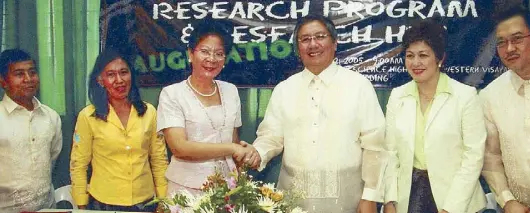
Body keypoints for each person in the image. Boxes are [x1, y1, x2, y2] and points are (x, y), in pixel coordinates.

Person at [248, 15, 386, 213]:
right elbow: (270, 137)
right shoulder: (285, 89)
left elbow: (375, 145)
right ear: (298, 48)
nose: (313, 44)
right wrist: (256, 155)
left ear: (334, 43)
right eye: (305, 39)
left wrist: (370, 197)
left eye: (320, 36)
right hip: (292, 201)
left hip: (348, 200)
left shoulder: (358, 86)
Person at [382, 20, 487, 213]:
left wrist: (451, 209)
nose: (415, 63)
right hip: (410, 197)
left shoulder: (465, 96)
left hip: (457, 199)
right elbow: (390, 154)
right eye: (410, 55)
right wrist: (390, 200)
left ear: (440, 58)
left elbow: (473, 157)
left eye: (423, 55)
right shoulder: (398, 96)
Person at [156, 19, 255, 197]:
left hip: (226, 189)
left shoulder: (231, 91)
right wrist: (232, 149)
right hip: (186, 191)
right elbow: (180, 147)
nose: (211, 59)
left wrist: (247, 153)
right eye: (204, 51)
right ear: (190, 54)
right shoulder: (172, 94)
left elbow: (233, 140)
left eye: (219, 53)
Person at [480, 5, 530, 213]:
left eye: (517, 39)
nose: (509, 49)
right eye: (501, 42)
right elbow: (491, 157)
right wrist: (506, 200)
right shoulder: (490, 96)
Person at [70, 49, 168, 212]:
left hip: (145, 203)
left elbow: (159, 160)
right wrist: (81, 204)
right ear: (100, 80)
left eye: (124, 72)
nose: (119, 80)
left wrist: (163, 199)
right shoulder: (88, 117)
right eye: (111, 74)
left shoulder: (148, 111)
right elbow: (78, 164)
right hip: (103, 203)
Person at [0, 49, 62, 213]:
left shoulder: (51, 117)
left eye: (32, 72)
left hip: (46, 208)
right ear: (3, 81)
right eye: (19, 74)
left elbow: (52, 158)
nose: (28, 79)